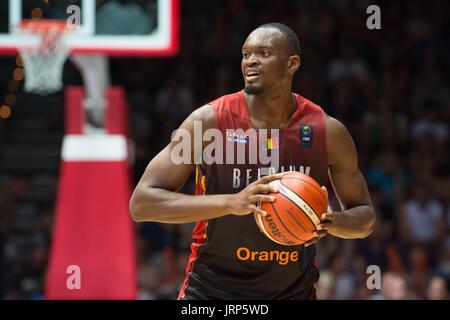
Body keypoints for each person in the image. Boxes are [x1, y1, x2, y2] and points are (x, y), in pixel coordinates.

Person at [129, 23, 376, 300]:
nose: (251, 61)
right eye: (246, 54)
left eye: (264, 53)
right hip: (212, 290)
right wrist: (233, 203)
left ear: (292, 63)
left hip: (293, 291)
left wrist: (330, 222)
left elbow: (365, 217)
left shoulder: (326, 131)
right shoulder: (209, 122)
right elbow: (142, 203)